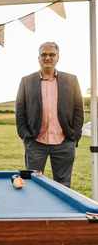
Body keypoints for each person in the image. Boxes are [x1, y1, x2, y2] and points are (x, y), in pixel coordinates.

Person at [15, 42, 84, 187]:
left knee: (63, 185)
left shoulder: (71, 80)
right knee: (33, 184)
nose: (47, 57)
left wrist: (73, 136)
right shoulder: (26, 81)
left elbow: (78, 110)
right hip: (35, 143)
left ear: (58, 57)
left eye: (51, 54)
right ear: (38, 58)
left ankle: (62, 211)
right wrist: (26, 136)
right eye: (44, 55)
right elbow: (20, 112)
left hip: (64, 142)